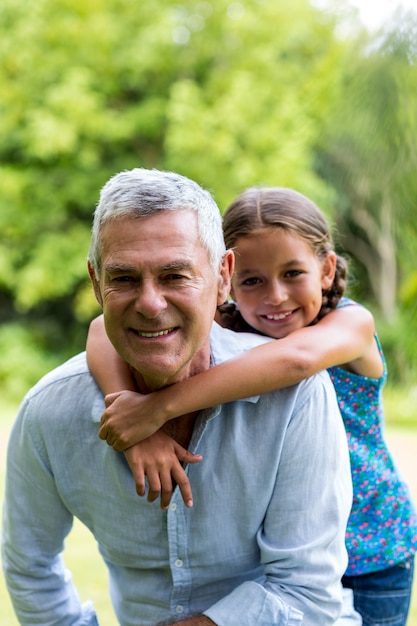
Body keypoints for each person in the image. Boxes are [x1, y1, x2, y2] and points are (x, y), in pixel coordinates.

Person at [2, 169, 353, 626]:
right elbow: (30, 568)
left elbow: (306, 595)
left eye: (175, 275)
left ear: (222, 277)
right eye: (124, 279)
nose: (150, 303)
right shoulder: (50, 413)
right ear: (95, 283)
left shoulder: (295, 397)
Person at [88, 186, 417, 626]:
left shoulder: (351, 324)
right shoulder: (229, 323)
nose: (275, 296)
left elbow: (296, 361)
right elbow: (98, 330)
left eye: (293, 273)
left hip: (370, 548)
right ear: (225, 278)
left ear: (326, 268)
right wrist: (133, 425)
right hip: (285, 544)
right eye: (252, 280)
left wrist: (156, 409)